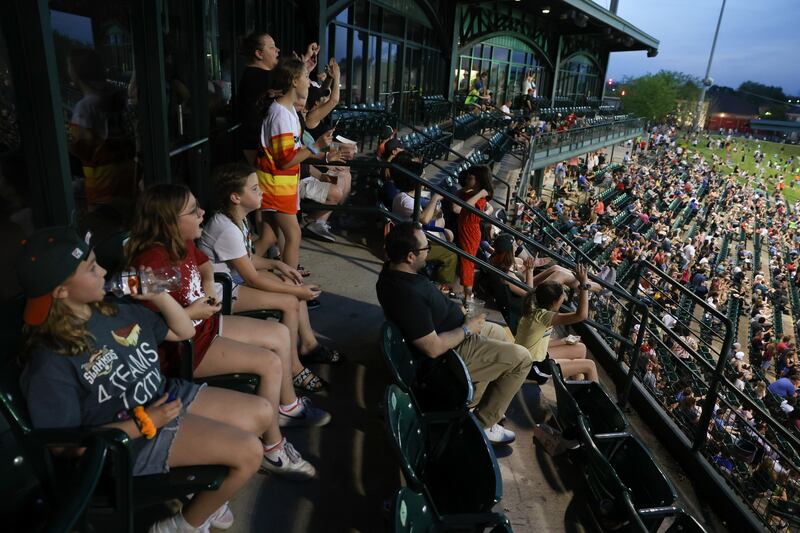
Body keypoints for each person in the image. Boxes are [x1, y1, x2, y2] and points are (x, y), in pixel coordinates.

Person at [17, 227, 272, 532]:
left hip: (163, 397)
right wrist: (142, 423)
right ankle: (181, 526)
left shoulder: (114, 308)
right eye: (90, 268)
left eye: (97, 262)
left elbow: (184, 332)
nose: (103, 272)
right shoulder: (50, 359)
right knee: (249, 452)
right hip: (129, 442)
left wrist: (159, 295)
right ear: (61, 291)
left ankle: (204, 495)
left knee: (262, 413)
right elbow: (62, 446)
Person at [125, 184, 330, 478]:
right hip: (185, 349)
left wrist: (208, 289)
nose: (202, 213)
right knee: (270, 362)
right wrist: (193, 312)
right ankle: (273, 449)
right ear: (169, 221)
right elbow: (154, 330)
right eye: (193, 210)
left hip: (205, 326)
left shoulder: (181, 241)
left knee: (280, 335)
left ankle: (286, 407)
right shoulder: (152, 263)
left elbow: (205, 264)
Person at [376, 222, 532, 446]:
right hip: (451, 353)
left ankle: (478, 402)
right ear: (410, 256)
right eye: (425, 247)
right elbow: (433, 348)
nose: (429, 250)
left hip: (457, 330)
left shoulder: (394, 271)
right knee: (522, 359)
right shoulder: (407, 294)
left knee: (498, 332)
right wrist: (468, 328)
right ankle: (483, 423)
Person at [199, 163, 344, 392]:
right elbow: (252, 278)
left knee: (291, 282)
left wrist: (277, 264)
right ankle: (294, 367)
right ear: (236, 197)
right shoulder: (226, 228)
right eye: (255, 189)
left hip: (234, 281)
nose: (262, 192)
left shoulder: (237, 218)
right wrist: (299, 293)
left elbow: (247, 258)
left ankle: (307, 346)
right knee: (290, 299)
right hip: (222, 293)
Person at [253, 57, 334, 268]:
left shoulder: (287, 111)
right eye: (306, 77)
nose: (310, 81)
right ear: (294, 81)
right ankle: (292, 286)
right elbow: (286, 161)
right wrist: (316, 145)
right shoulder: (281, 114)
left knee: (269, 238)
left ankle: (237, 272)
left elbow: (291, 153)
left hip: (280, 186)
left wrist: (318, 147)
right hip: (277, 187)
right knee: (293, 236)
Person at [515, 266, 599, 383]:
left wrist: (564, 341)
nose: (562, 300)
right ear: (554, 302)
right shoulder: (544, 317)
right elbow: (581, 315)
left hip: (531, 357)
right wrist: (584, 284)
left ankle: (576, 389)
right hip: (532, 367)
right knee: (590, 366)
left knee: (580, 348)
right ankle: (591, 398)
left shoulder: (533, 306)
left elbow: (536, 343)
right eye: (561, 299)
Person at [454, 165, 494, 306]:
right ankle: (467, 293)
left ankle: (468, 296)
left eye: (470, 178)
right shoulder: (472, 193)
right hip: (465, 229)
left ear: (478, 181)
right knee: (466, 261)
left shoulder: (479, 198)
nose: (466, 180)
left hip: (470, 231)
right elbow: (457, 198)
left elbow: (461, 207)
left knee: (468, 262)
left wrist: (479, 193)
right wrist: (467, 189)